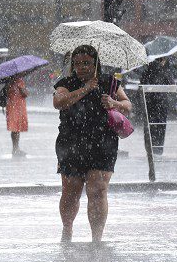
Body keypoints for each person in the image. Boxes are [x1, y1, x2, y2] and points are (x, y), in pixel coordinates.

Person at [53, 45, 132, 242]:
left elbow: (127, 106)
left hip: (103, 143)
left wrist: (114, 104)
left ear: (96, 63)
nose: (82, 67)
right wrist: (85, 89)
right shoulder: (66, 83)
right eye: (77, 63)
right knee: (71, 191)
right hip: (71, 143)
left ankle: (97, 238)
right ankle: (67, 228)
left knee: (98, 190)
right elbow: (59, 102)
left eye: (86, 63)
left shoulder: (110, 82)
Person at [139, 57, 174, 156]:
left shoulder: (146, 71)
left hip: (148, 104)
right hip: (161, 104)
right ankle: (158, 150)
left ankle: (149, 149)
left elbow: (141, 84)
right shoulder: (165, 71)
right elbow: (172, 85)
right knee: (160, 127)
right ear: (162, 60)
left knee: (148, 127)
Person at [6, 76, 29, 157]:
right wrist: (26, 91)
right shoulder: (19, 81)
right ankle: (15, 148)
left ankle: (15, 148)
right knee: (16, 128)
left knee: (14, 128)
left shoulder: (9, 81)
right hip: (17, 107)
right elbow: (24, 93)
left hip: (11, 106)